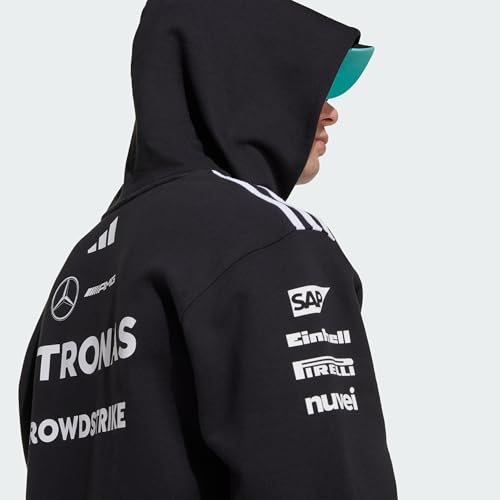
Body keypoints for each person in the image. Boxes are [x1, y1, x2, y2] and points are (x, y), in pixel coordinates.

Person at [18, 0, 398, 498]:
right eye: (305, 84)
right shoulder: (273, 240)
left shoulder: (80, 271)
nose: (331, 111)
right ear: (245, 82)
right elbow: (327, 477)